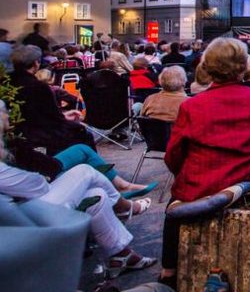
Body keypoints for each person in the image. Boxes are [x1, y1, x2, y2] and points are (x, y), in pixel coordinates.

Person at [159, 38, 250, 288]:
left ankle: (169, 270)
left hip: (200, 184)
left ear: (207, 67)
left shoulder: (192, 105)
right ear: (243, 67)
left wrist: (187, 174)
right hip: (245, 181)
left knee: (172, 211)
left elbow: (173, 155)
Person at [0, 101, 155, 276]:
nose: (8, 115)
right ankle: (125, 207)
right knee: (85, 171)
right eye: (5, 111)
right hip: (22, 222)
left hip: (21, 213)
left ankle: (121, 256)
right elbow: (37, 186)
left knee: (97, 196)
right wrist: (41, 177)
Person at [10, 45, 95, 155]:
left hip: (16, 130)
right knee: (82, 132)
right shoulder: (39, 87)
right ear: (36, 63)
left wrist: (62, 116)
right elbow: (53, 118)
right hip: (37, 132)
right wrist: (64, 117)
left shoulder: (7, 82)